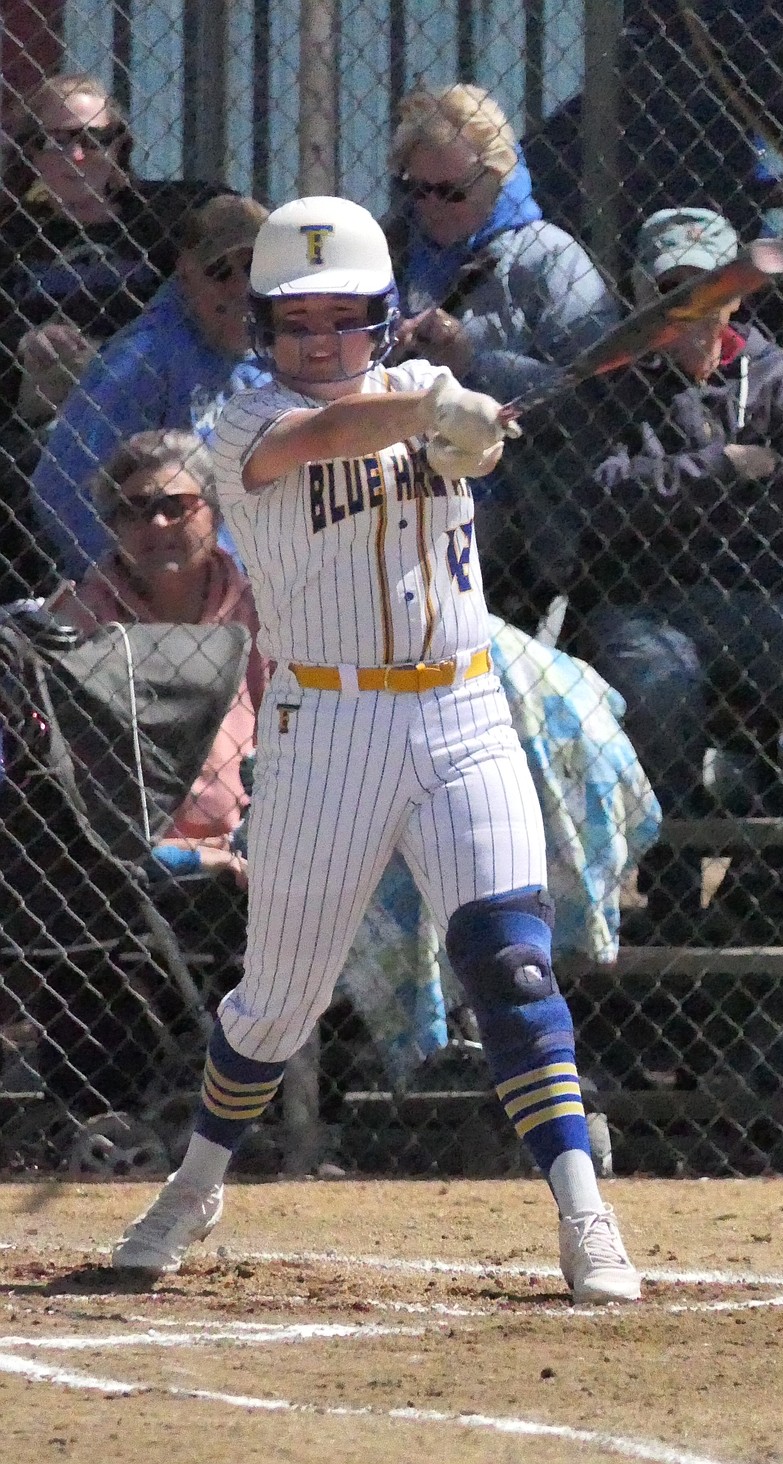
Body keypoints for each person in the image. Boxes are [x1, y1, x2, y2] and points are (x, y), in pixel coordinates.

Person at [109, 195, 641, 1303]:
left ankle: (585, 1210)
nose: (319, 343)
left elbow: (468, 453)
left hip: (461, 709)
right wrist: (437, 409)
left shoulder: (414, 396)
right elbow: (335, 435)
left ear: (381, 317)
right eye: (296, 322)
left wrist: (477, 433)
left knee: (511, 961)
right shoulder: (243, 422)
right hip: (327, 726)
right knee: (277, 1003)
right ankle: (198, 1179)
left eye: (343, 320)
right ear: (264, 329)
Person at [560, 207, 783, 940]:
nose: (690, 309)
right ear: (641, 295)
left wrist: (665, 493)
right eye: (672, 292)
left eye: (707, 289)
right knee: (659, 695)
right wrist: (722, 467)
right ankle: (672, 903)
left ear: (738, 295)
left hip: (761, 597)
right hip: (639, 600)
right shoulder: (609, 378)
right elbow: (597, 499)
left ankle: (764, 889)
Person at [53, 429, 266, 882]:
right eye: (135, 511)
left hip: (258, 843)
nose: (158, 525)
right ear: (112, 527)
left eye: (176, 505)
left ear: (215, 508)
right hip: (127, 863)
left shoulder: (260, 610)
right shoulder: (82, 622)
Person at [31, 192, 270, 580]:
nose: (241, 287)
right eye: (220, 271)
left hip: (251, 584)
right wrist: (136, 585)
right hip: (172, 596)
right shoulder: (144, 360)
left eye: (255, 268)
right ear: (186, 273)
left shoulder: (282, 349)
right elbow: (60, 486)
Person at [0, 72, 224, 431]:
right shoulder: (12, 234)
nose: (76, 155)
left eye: (92, 139)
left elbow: (243, 226)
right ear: (31, 153)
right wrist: (24, 339)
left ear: (117, 146)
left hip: (154, 385)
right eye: (56, 140)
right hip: (49, 408)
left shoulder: (169, 214)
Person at [386, 83, 619, 403]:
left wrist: (472, 367)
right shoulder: (392, 251)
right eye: (417, 189)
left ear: (499, 176)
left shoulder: (549, 256)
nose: (432, 206)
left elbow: (597, 393)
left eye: (452, 192)